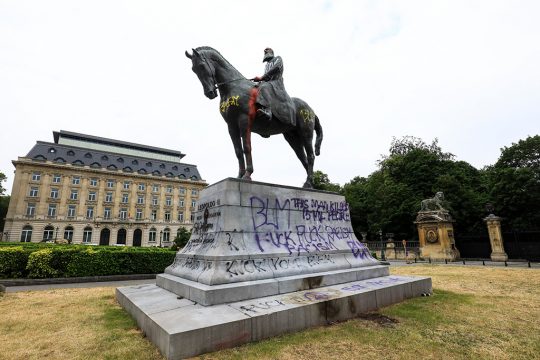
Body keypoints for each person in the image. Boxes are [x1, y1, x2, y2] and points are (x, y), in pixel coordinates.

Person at [251, 48, 296, 126]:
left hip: (276, 83)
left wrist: (262, 77)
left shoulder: (278, 58)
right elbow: (265, 78)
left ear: (271, 52)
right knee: (256, 88)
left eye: (267, 51)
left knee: (264, 87)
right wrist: (259, 81)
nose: (265, 53)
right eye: (265, 52)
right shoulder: (266, 65)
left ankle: (268, 111)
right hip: (268, 83)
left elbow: (276, 68)